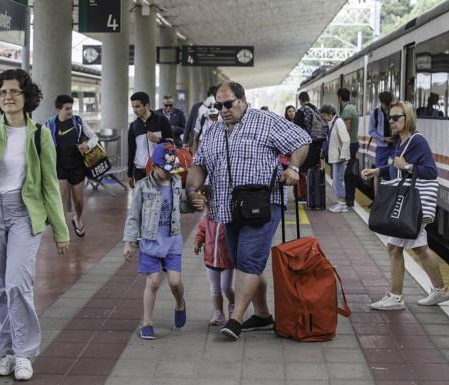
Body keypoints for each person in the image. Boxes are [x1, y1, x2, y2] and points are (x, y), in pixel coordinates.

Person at [0, 69, 69, 381]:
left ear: (26, 97)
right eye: (3, 92)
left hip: (24, 214)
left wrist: (61, 231)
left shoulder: (39, 135)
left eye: (14, 92)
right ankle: (5, 353)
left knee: (18, 285)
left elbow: (49, 184)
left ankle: (24, 354)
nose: (8, 97)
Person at [186, 81, 311, 341]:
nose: (223, 110)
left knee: (249, 261)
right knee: (244, 262)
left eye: (228, 104)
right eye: (219, 106)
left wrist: (294, 168)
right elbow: (199, 165)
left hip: (262, 205)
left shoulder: (265, 121)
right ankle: (263, 316)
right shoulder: (212, 131)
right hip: (227, 208)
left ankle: (236, 319)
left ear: (242, 100)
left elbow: (302, 140)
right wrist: (191, 189)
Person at [361, 101, 449, 310]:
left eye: (396, 117)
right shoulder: (402, 142)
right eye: (390, 118)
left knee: (394, 248)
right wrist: (378, 171)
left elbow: (431, 172)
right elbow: (396, 170)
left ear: (408, 118)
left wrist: (408, 166)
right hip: (410, 205)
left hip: (412, 205)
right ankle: (440, 290)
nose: (391, 121)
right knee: (420, 249)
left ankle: (396, 297)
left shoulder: (417, 141)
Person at [123, 143, 189, 339]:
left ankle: (180, 303)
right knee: (152, 283)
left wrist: (195, 203)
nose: (169, 174)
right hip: (151, 241)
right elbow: (133, 216)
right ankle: (148, 323)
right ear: (154, 166)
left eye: (172, 170)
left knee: (175, 282)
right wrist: (129, 242)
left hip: (172, 240)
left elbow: (182, 206)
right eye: (165, 170)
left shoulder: (176, 182)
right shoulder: (143, 186)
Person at [45, 94, 99, 237]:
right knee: (61, 198)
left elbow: (94, 137)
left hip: (77, 166)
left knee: (79, 200)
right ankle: (62, 229)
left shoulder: (78, 121)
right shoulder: (49, 125)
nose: (70, 111)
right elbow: (43, 145)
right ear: (58, 109)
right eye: (67, 109)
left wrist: (87, 146)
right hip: (59, 166)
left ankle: (78, 219)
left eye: (71, 108)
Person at [194, 186, 236, 326]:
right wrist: (198, 242)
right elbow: (201, 230)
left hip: (227, 260)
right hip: (210, 259)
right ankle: (218, 313)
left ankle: (233, 305)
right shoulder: (208, 217)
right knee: (215, 289)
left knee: (226, 287)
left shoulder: (230, 219)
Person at [127, 91, 173, 188]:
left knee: (159, 201)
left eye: (137, 106)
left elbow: (172, 145)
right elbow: (131, 151)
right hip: (140, 170)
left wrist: (159, 140)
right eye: (133, 107)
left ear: (147, 106)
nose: (134, 110)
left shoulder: (161, 121)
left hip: (159, 170)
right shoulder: (133, 126)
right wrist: (130, 174)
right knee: (144, 201)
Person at [321, 104, 350, 213]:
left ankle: (342, 205)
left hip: (340, 158)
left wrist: (343, 155)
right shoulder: (333, 122)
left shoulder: (338, 122)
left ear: (330, 114)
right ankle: (340, 202)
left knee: (338, 180)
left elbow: (346, 140)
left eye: (325, 115)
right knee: (337, 180)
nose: (324, 118)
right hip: (336, 157)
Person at [293, 91, 321, 202]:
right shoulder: (316, 110)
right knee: (313, 170)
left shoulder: (301, 111)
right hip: (316, 145)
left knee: (302, 171)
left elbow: (297, 131)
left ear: (301, 100)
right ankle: (314, 195)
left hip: (305, 145)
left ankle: (304, 195)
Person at [368, 91, 396, 198]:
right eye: (386, 104)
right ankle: (377, 198)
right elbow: (371, 131)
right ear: (381, 102)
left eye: (389, 103)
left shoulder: (395, 111)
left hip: (394, 145)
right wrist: (383, 139)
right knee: (378, 172)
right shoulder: (374, 113)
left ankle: (394, 196)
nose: (388, 106)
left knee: (397, 169)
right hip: (382, 146)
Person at [338, 87, 360, 207]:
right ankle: (350, 198)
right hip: (354, 144)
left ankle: (348, 198)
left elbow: (346, 129)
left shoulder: (346, 111)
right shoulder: (353, 108)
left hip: (349, 145)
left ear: (340, 98)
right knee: (350, 172)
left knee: (346, 173)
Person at [184, 85, 218, 151]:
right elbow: (189, 123)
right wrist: (185, 141)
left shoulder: (220, 109)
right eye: (210, 97)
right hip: (197, 141)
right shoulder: (198, 106)